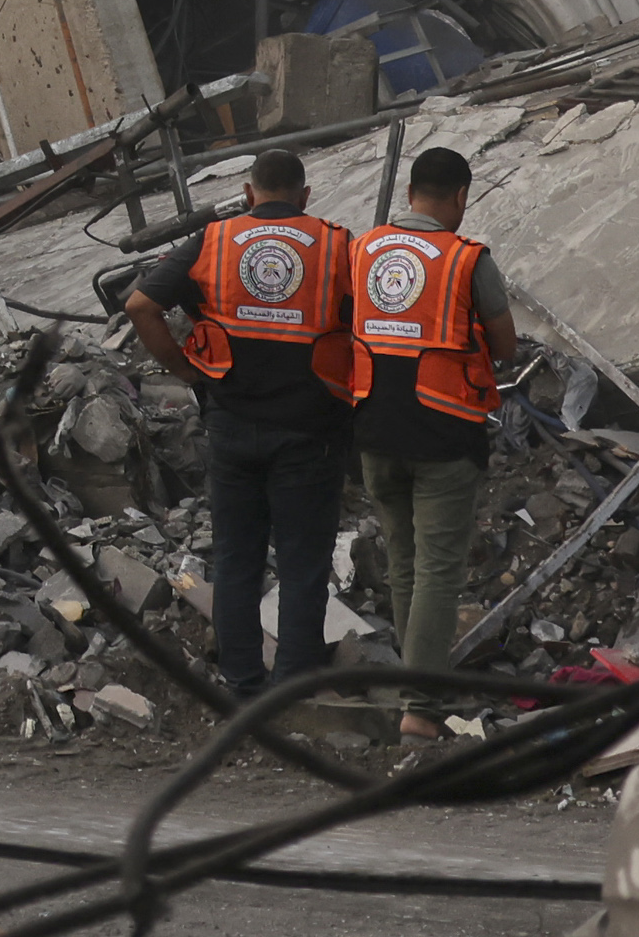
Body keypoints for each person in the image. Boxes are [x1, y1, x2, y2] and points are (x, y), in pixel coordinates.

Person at [126, 147, 359, 699]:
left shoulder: (212, 240)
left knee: (236, 558)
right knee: (303, 562)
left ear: (249, 193)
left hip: (231, 424)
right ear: (305, 196)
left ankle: (243, 684)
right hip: (311, 429)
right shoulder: (338, 244)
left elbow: (140, 305)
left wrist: (186, 370)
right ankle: (295, 687)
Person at [339, 147, 519, 741]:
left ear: (410, 191)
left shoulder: (361, 250)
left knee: (404, 566)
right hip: (442, 433)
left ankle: (413, 695)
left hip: (373, 431)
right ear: (461, 197)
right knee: (438, 571)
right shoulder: (467, 259)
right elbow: (504, 346)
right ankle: (420, 710)